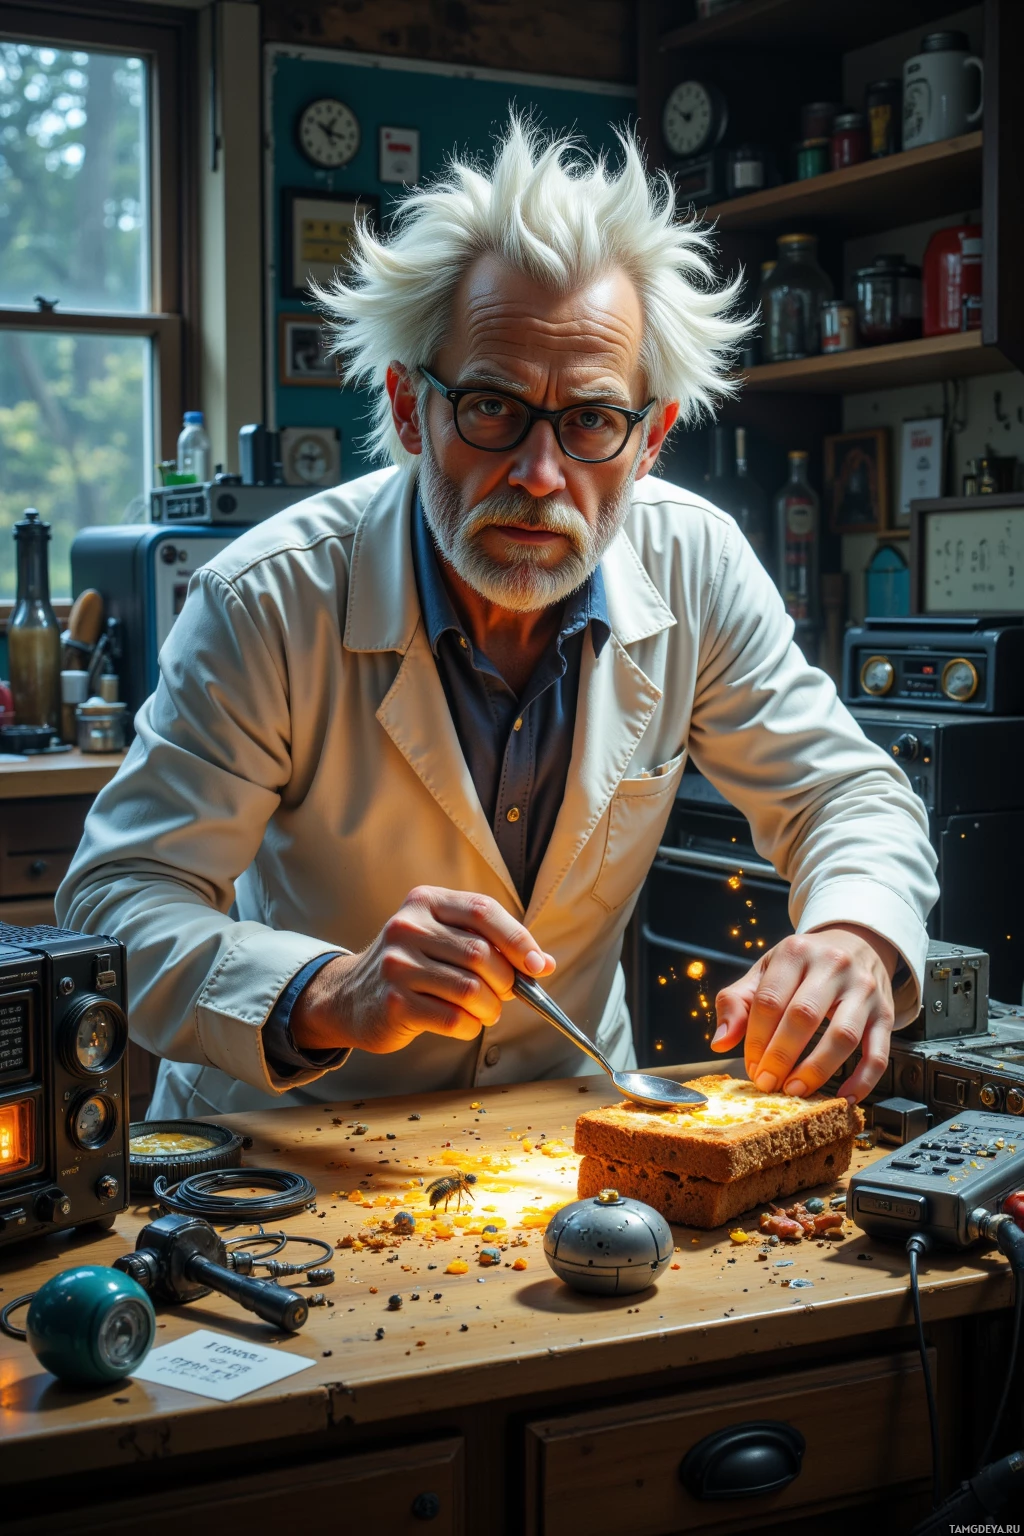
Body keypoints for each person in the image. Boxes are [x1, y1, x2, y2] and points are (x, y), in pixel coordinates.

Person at [57, 121, 937, 1119]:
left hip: (563, 1130)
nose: (539, 475)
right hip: (282, 1154)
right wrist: (326, 993)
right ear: (407, 409)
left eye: (593, 420)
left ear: (649, 441)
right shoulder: (267, 597)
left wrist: (853, 938)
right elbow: (117, 903)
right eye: (490, 407)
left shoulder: (697, 563)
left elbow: (848, 799)